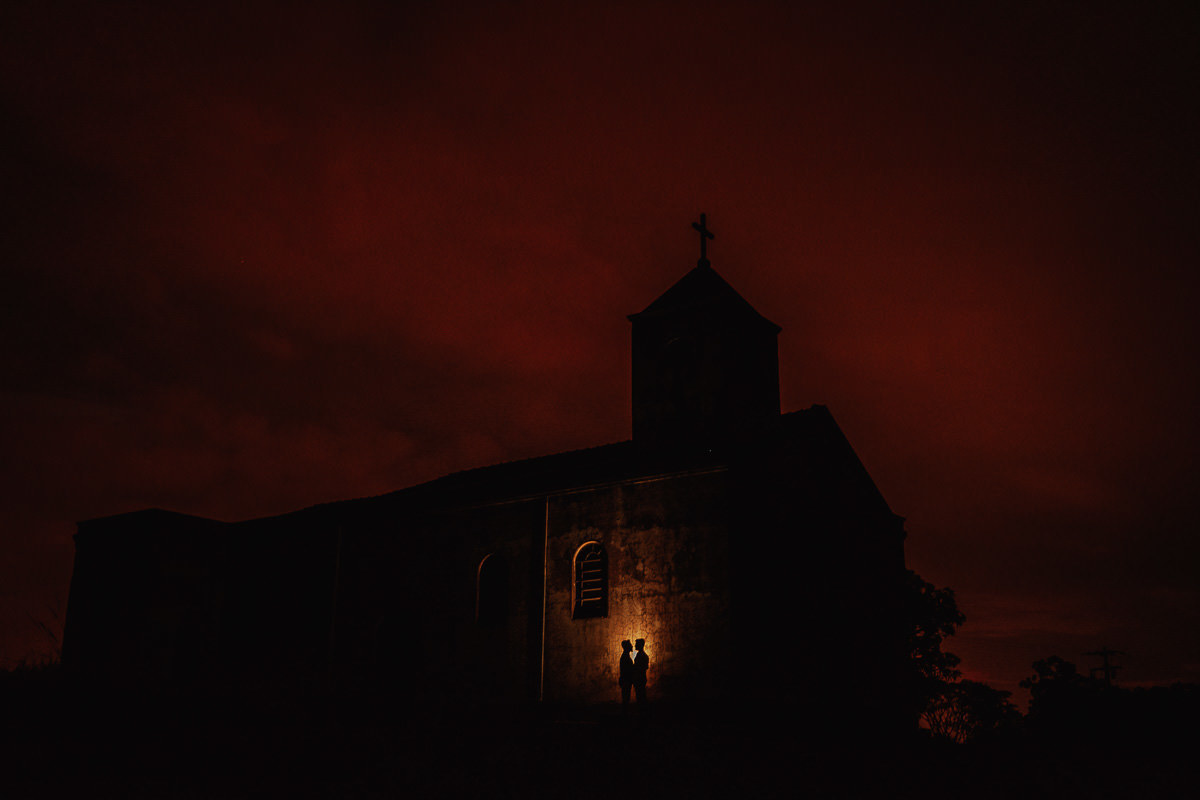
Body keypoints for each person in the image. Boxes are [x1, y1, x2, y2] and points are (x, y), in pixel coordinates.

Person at [618, 640, 636, 711]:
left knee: (626, 698)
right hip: (626, 680)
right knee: (626, 698)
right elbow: (627, 670)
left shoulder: (625, 656)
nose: (632, 646)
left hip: (625, 680)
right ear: (627, 647)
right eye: (630, 645)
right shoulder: (625, 657)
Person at [633, 638, 649, 707]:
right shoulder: (642, 655)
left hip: (640, 678)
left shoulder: (641, 655)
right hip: (641, 678)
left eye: (636, 644)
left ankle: (642, 711)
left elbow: (643, 667)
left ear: (640, 645)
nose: (635, 645)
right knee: (641, 695)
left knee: (640, 696)